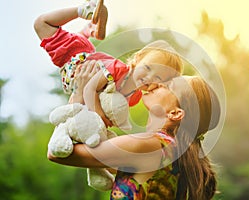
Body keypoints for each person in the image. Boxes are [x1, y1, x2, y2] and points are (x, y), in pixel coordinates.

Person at [48, 71, 221, 200]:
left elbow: (58, 153)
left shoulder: (151, 146)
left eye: (168, 86)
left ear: (175, 114)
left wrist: (82, 91)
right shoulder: (168, 151)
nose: (157, 84)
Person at [34, 0, 183, 126]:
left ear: (161, 84)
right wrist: (100, 117)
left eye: (158, 78)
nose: (150, 77)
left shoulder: (134, 98)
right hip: (73, 55)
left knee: (72, 113)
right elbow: (89, 90)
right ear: (137, 59)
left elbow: (100, 104)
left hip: (80, 72)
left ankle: (91, 30)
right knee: (41, 23)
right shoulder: (117, 70)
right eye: (148, 67)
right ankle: (85, 10)